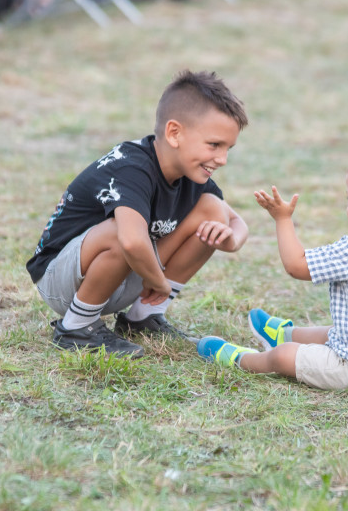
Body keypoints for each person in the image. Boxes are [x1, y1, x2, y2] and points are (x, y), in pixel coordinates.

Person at [26, 70, 250, 357]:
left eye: (228, 148)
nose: (222, 159)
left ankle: (142, 318)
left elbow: (237, 222)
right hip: (62, 281)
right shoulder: (131, 166)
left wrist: (229, 239)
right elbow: (131, 241)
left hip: (125, 276)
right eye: (214, 145)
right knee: (120, 232)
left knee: (212, 211)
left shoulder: (191, 175)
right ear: (174, 133)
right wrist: (158, 282)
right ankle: (76, 328)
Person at [198, 145, 348, 390]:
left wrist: (283, 219)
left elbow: (296, 266)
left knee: (284, 356)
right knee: (335, 331)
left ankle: (242, 359)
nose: (347, 205)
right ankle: (283, 335)